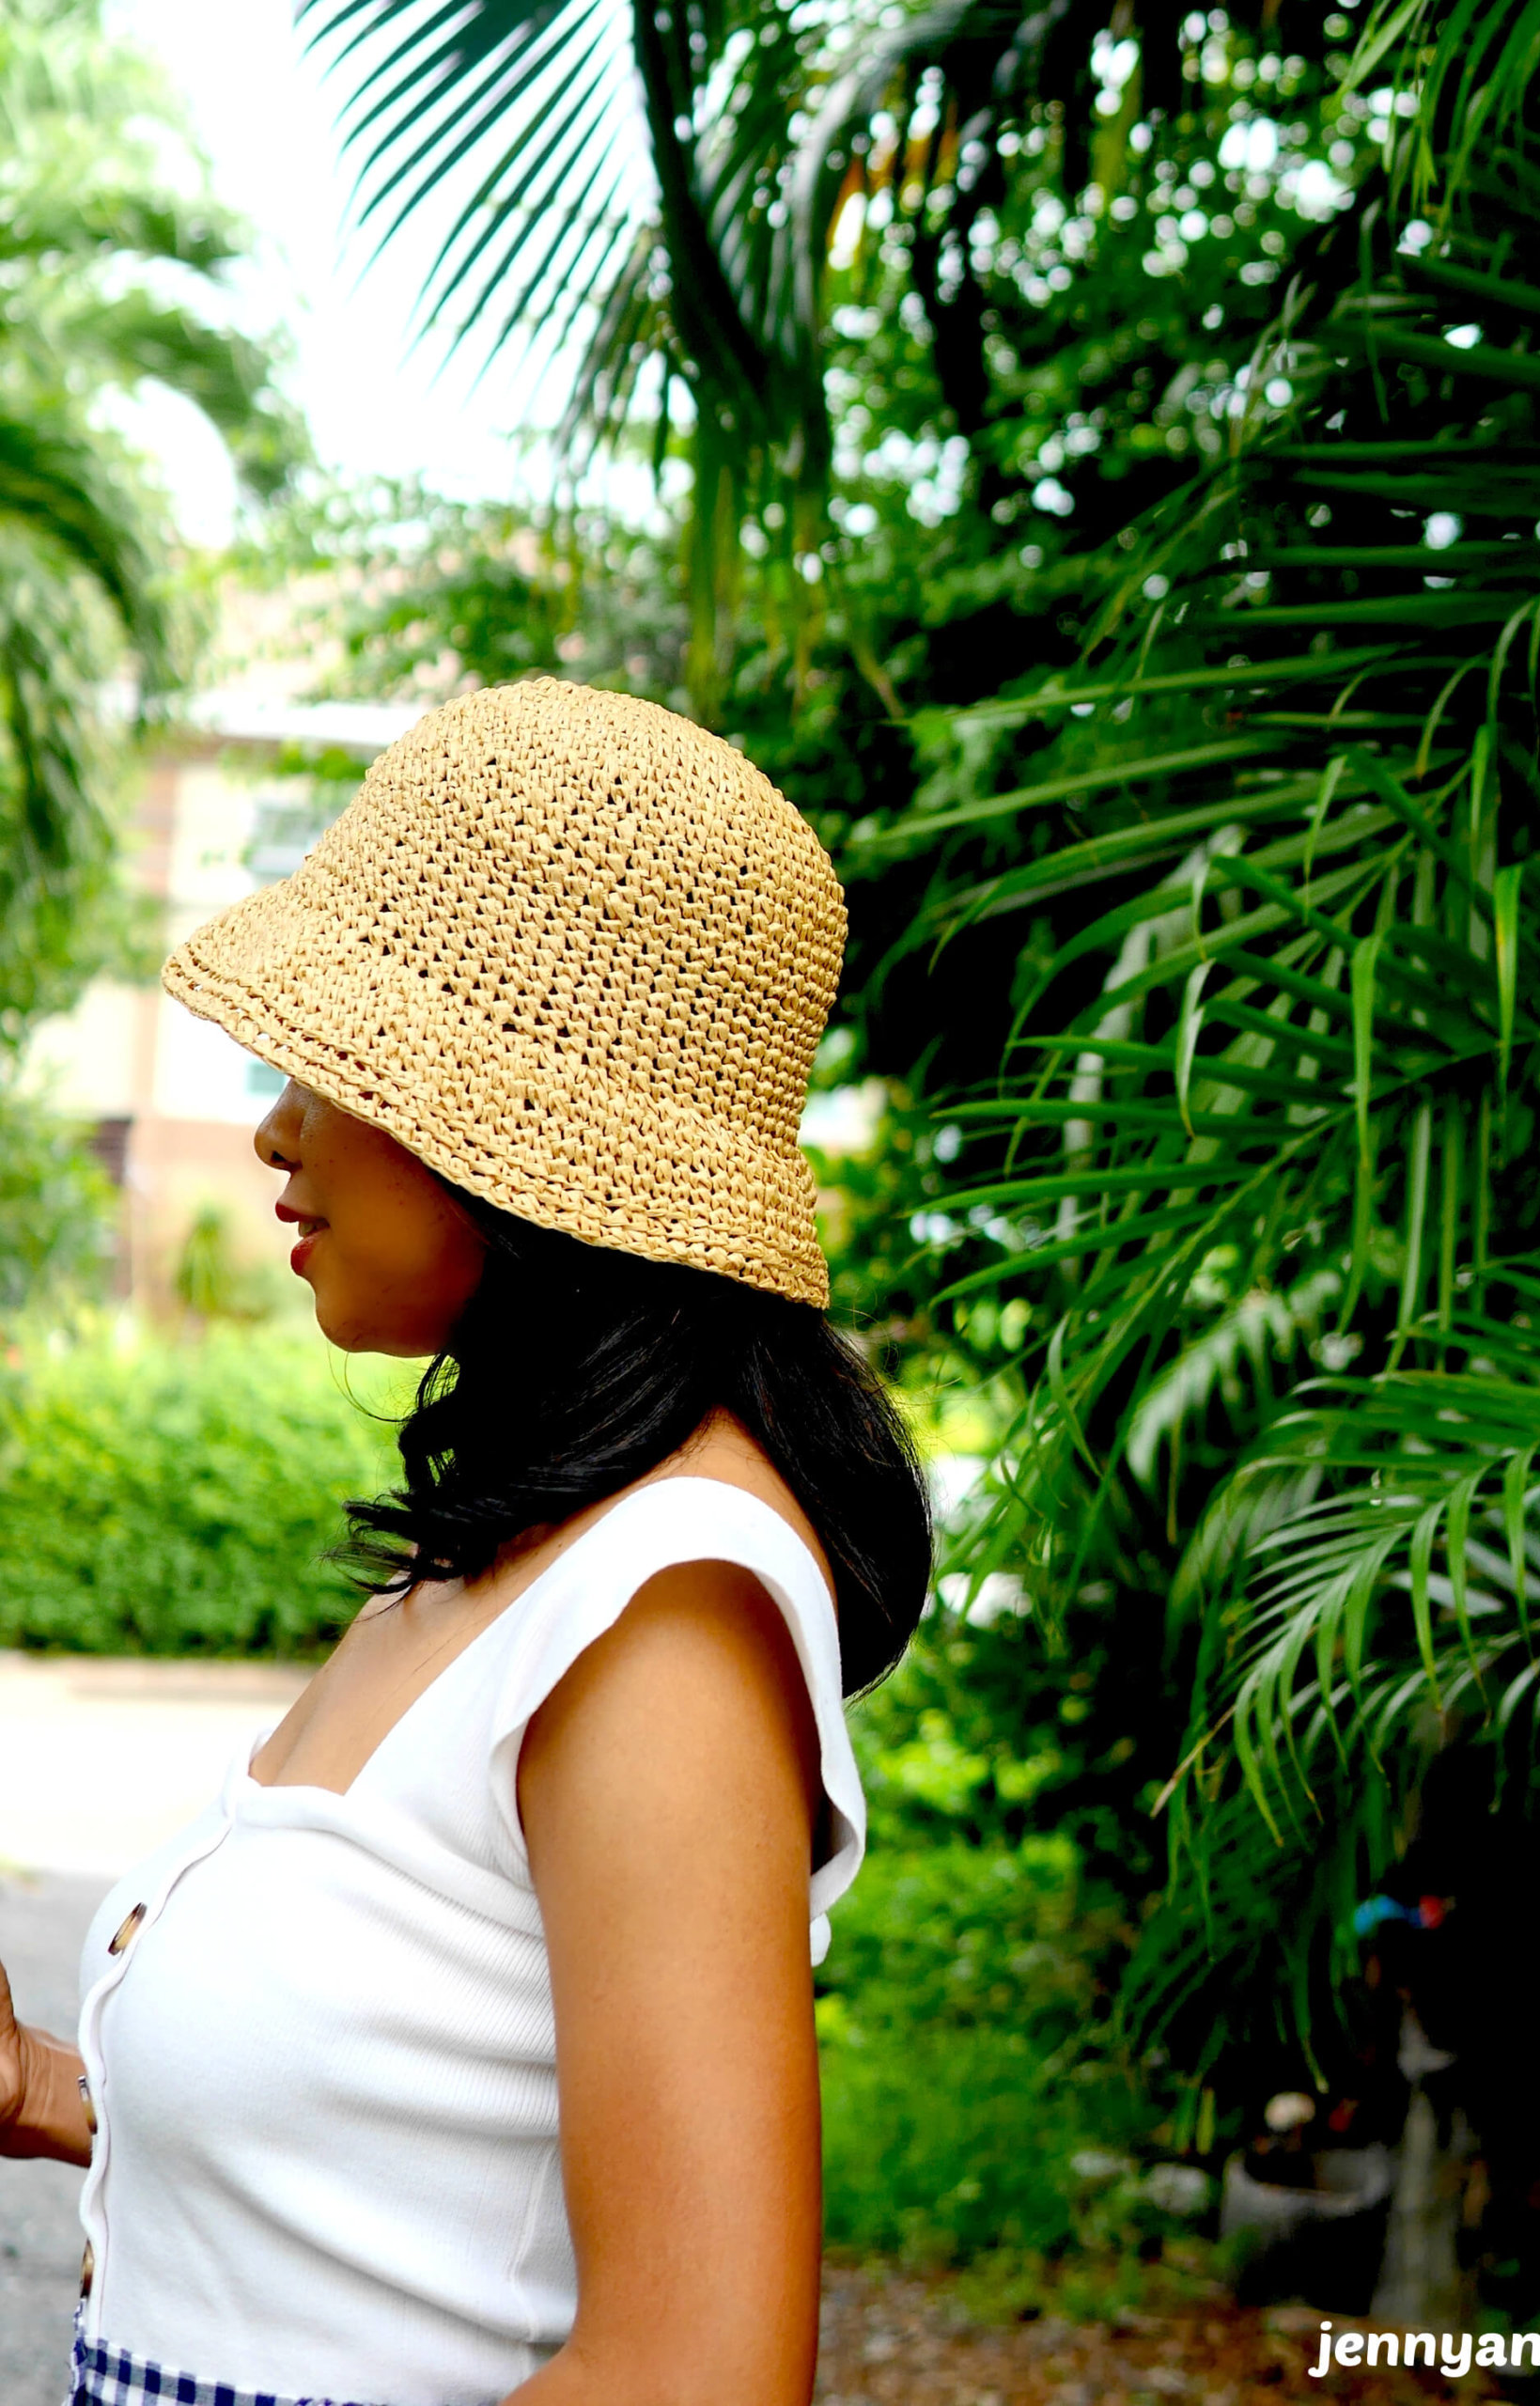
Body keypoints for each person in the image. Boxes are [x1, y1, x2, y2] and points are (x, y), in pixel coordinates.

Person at [0, 680, 931, 2406]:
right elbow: (406, 2161)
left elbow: (695, 2377)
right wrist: (50, 2088)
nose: (275, 1126)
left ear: (525, 1137)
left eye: (335, 1070)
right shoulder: (508, 1549)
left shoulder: (661, 1610)